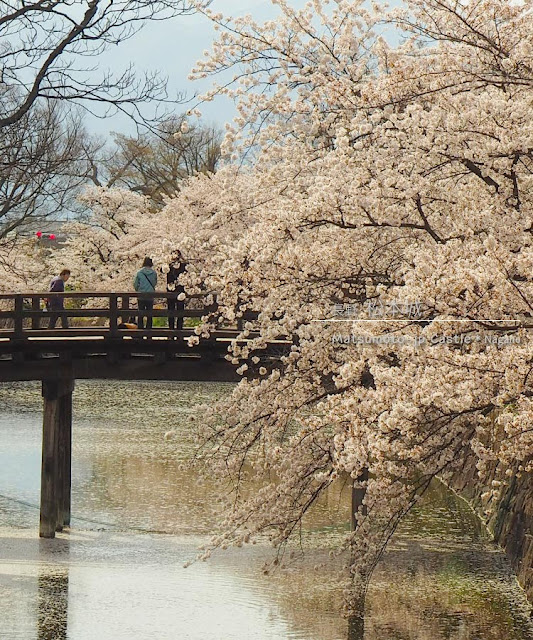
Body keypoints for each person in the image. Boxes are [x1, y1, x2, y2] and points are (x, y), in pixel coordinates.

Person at [134, 257, 157, 330]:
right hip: (150, 295)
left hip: (141, 295)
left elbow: (135, 284)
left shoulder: (139, 273)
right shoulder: (154, 273)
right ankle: (149, 331)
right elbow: (154, 283)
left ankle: (140, 331)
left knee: (140, 314)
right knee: (149, 314)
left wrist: (138, 289)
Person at [166, 252, 187, 331]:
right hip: (178, 291)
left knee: (173, 311)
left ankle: (173, 330)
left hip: (174, 291)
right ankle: (178, 330)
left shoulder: (170, 266)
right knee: (177, 311)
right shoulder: (169, 266)